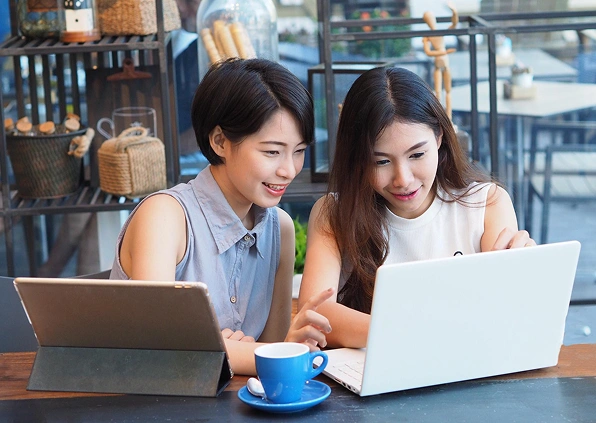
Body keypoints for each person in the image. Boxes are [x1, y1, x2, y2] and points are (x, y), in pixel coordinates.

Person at [110, 58, 333, 375]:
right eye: (272, 151)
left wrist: (223, 350)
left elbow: (270, 351)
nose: (289, 170)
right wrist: (254, 352)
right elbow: (158, 346)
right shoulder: (164, 217)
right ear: (220, 141)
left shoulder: (279, 228)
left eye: (299, 150)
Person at [298, 66, 535, 350]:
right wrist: (425, 331)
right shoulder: (333, 213)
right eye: (381, 161)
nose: (403, 179)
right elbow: (316, 313)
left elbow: (505, 312)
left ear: (439, 137)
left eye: (417, 154)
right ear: (358, 160)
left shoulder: (486, 203)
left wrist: (524, 277)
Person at [422, 3, 458, 120]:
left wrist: (454, 12)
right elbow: (428, 52)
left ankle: (449, 119)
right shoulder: (428, 36)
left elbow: (454, 24)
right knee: (438, 92)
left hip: (443, 63)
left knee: (447, 91)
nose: (431, 21)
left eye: (431, 18)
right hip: (439, 62)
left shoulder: (438, 32)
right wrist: (444, 52)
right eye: (428, 20)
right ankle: (441, 120)